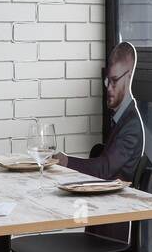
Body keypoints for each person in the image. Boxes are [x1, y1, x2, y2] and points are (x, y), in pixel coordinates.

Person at [57, 41, 144, 182]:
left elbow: (105, 170)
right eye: (107, 81)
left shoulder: (131, 125)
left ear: (129, 77)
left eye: (114, 81)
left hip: (115, 199)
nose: (108, 88)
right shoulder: (121, 118)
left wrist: (67, 162)